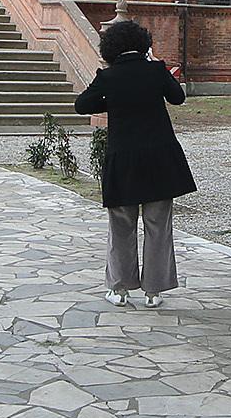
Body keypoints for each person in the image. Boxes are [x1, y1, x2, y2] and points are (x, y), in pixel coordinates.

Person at [74, 18, 196, 308]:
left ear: (111, 48)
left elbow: (82, 105)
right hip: (160, 158)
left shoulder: (108, 77)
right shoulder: (156, 71)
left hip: (123, 158)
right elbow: (178, 97)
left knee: (121, 226)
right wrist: (158, 65)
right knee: (158, 226)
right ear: (143, 45)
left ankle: (119, 289)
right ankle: (154, 291)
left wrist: (115, 102)